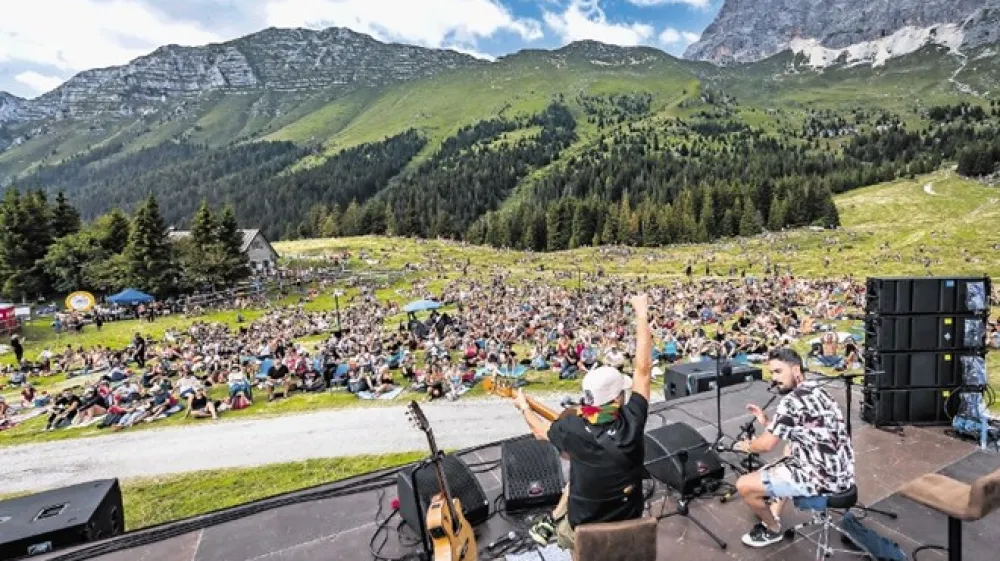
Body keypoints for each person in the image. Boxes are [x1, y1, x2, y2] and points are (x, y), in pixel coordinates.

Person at [516, 293, 652, 551]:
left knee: (576, 478)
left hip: (585, 530)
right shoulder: (634, 420)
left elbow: (539, 431)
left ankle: (554, 526)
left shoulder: (572, 428)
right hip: (630, 519)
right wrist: (641, 313)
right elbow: (643, 369)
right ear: (617, 398)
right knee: (579, 476)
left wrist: (524, 408)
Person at [734, 348, 855, 548]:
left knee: (744, 485)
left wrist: (748, 446)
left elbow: (765, 445)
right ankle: (775, 504)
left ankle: (772, 529)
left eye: (778, 372)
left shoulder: (791, 401)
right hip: (842, 474)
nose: (774, 379)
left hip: (823, 481)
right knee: (789, 449)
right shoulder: (819, 390)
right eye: (772, 373)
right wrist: (767, 422)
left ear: (796, 370)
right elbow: (804, 427)